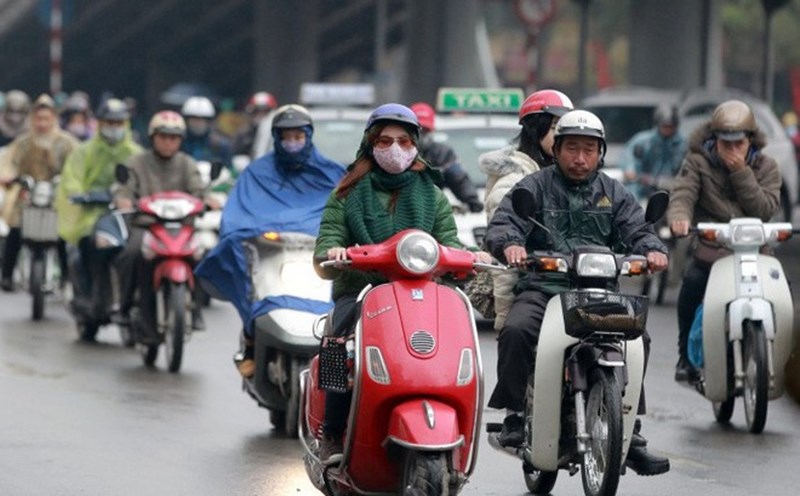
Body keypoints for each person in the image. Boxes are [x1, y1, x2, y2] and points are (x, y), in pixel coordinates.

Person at [484, 109, 671, 476]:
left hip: (600, 291)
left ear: (601, 152)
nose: (580, 158)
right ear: (556, 149)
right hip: (545, 289)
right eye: (572, 148)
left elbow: (638, 229)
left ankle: (629, 430)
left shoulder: (613, 192)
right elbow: (504, 224)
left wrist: (653, 250)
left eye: (589, 149)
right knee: (518, 329)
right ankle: (516, 415)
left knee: (638, 340)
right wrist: (511, 246)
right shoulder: (534, 187)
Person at [312, 103, 491, 463]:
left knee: (453, 342)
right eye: (385, 141)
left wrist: (474, 255)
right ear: (370, 144)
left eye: (404, 142)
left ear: (415, 146)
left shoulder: (433, 195)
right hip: (362, 290)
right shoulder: (346, 193)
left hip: (423, 293)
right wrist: (336, 252)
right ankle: (331, 432)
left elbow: (448, 243)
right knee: (338, 339)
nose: (395, 149)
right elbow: (325, 246)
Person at [195, 104, 345, 377]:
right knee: (246, 272)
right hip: (272, 254)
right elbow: (237, 216)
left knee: (346, 314)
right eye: (286, 137)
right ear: (276, 138)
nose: (292, 143)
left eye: (298, 136)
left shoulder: (333, 174)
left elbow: (349, 215)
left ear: (309, 136)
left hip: (319, 258)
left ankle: (338, 375)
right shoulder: (257, 173)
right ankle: (251, 342)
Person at [667, 99, 781, 382]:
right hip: (712, 251)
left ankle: (778, 357)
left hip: (755, 253)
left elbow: (765, 209)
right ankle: (685, 357)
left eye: (738, 144)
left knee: (781, 293)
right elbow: (682, 195)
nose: (732, 150)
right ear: (713, 140)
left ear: (750, 141)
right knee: (692, 285)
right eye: (725, 144)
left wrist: (740, 172)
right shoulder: (697, 162)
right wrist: (679, 218)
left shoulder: (767, 166)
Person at [478, 88, 573, 332]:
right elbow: (505, 261)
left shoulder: (573, 177)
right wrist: (507, 316)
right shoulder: (515, 183)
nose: (564, 135)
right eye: (554, 127)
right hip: (533, 289)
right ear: (534, 129)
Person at [114, 110, 213, 341]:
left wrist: (207, 200)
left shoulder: (187, 164)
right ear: (153, 137)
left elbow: (199, 190)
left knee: (201, 256)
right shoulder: (137, 163)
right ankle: (124, 305)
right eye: (163, 137)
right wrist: (124, 199)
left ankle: (196, 309)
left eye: (174, 138)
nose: (169, 142)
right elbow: (125, 188)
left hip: (181, 227)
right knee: (131, 254)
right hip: (147, 226)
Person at [55, 98, 142, 310]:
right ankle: (88, 290)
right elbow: (72, 179)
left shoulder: (136, 154)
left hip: (127, 214)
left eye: (119, 123)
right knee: (89, 241)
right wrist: (80, 194)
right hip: (93, 213)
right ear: (100, 124)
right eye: (110, 123)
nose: (114, 128)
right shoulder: (84, 152)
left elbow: (144, 182)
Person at [0, 94, 79, 291]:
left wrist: (72, 183)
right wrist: (8, 176)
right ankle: (7, 275)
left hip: (56, 196)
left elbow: (78, 166)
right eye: (38, 118)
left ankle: (66, 277)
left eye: (46, 118)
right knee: (16, 230)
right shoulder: (23, 142)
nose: (42, 123)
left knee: (62, 234)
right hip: (29, 195)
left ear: (54, 118)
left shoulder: (66, 142)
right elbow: (9, 162)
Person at [410, 102, 483, 213]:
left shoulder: (442, 154)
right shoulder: (397, 151)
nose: (422, 135)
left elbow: (458, 178)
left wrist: (471, 200)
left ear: (432, 131)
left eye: (426, 130)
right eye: (418, 130)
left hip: (429, 211)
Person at [620, 103, 687, 201]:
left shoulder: (684, 144)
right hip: (644, 187)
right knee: (631, 195)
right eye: (665, 126)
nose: (667, 129)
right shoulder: (644, 141)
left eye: (670, 126)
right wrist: (630, 169)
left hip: (673, 188)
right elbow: (628, 154)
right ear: (658, 125)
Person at [180, 96, 233, 171]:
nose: (198, 123)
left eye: (202, 120)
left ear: (209, 122)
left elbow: (229, 170)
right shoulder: (178, 143)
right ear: (186, 120)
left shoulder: (221, 145)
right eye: (194, 119)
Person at [232, 91, 277, 158]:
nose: (260, 115)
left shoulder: (276, 130)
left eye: (265, 111)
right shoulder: (245, 132)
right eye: (257, 111)